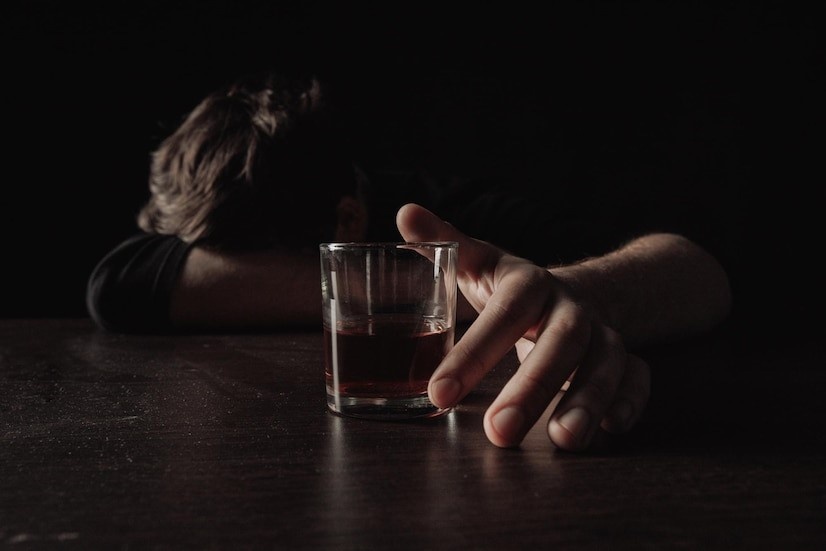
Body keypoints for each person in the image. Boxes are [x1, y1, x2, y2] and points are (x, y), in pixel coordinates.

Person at [87, 69, 732, 452]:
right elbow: (117, 281)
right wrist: (417, 287)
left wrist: (569, 293)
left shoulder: (456, 216)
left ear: (347, 219)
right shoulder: (212, 230)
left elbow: (699, 263)